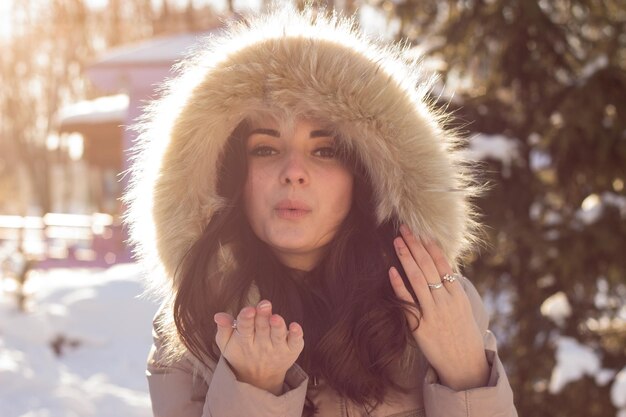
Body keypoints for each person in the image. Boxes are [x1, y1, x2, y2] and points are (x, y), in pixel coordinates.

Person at [124, 5, 518, 417]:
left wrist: (467, 374)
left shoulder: (437, 300)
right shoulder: (196, 319)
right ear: (231, 177)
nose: (293, 172)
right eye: (266, 148)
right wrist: (253, 390)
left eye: (325, 150)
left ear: (364, 176)